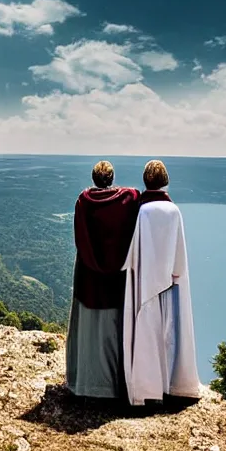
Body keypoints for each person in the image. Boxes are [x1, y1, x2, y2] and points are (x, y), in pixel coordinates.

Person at [121, 160, 201, 406]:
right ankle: (170, 385)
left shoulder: (142, 211)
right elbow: (179, 253)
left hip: (144, 281)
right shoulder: (173, 210)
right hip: (169, 284)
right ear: (165, 181)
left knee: (146, 334)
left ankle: (147, 388)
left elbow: (135, 250)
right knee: (170, 335)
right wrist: (175, 274)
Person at [66, 161, 140, 399]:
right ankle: (115, 385)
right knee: (114, 329)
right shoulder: (127, 199)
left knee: (88, 330)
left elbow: (80, 237)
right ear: (111, 178)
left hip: (88, 277)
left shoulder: (83, 202)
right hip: (116, 280)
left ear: (94, 178)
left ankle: (85, 384)